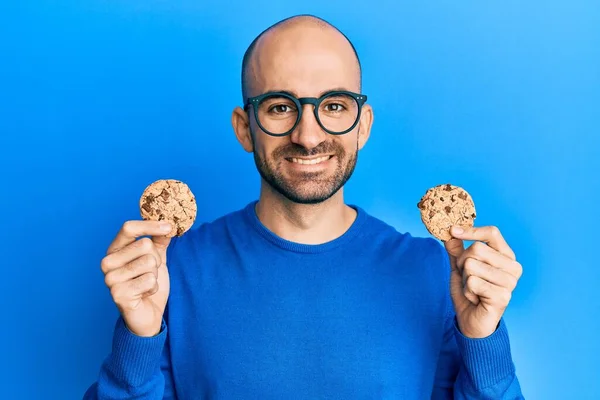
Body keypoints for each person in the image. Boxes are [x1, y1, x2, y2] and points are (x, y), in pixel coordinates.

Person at [83, 14, 525, 399]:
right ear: (244, 128)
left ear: (362, 126)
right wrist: (139, 338)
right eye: (279, 107)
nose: (308, 135)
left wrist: (482, 338)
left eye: (333, 106)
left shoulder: (434, 273)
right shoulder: (173, 270)